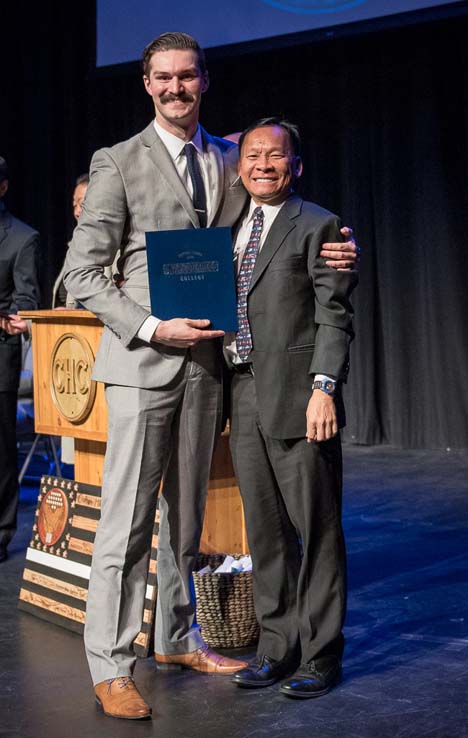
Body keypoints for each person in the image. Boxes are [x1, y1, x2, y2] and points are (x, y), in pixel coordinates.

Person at [64, 32, 358, 720]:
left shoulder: (229, 156)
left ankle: (172, 635)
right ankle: (111, 665)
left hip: (207, 373)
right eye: (162, 78)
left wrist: (341, 246)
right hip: (144, 364)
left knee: (186, 524)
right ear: (145, 84)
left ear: (204, 81)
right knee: (128, 525)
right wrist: (149, 326)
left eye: (187, 77)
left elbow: (285, 215)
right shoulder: (117, 162)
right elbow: (79, 274)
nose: (175, 88)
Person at [227, 118, 357, 699]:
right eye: (252, 154)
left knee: (318, 529)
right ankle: (276, 649)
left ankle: (321, 655)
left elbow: (334, 314)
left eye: (274, 156)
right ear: (239, 165)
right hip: (242, 392)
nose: (262, 164)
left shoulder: (320, 225)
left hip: (301, 394)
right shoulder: (225, 227)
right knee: (266, 532)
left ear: (295, 166)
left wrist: (324, 387)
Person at [0, 156, 40, 563]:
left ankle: (1, 532)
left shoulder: (21, 238)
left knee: (0, 451)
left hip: (0, 355)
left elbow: (25, 305)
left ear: (4, 188)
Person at [52, 173, 89, 309]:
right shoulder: (75, 246)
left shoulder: (112, 249)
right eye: (74, 205)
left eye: (82, 204)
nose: (77, 212)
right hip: (67, 328)